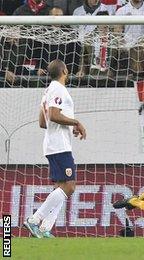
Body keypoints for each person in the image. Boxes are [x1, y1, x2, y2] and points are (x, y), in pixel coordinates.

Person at [23, 59, 87, 238]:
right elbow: (53, 115)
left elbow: (43, 122)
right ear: (64, 71)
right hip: (59, 145)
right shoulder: (58, 89)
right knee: (70, 186)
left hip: (52, 143)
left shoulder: (47, 91)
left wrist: (68, 126)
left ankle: (45, 228)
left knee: (61, 186)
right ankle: (35, 220)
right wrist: (76, 122)